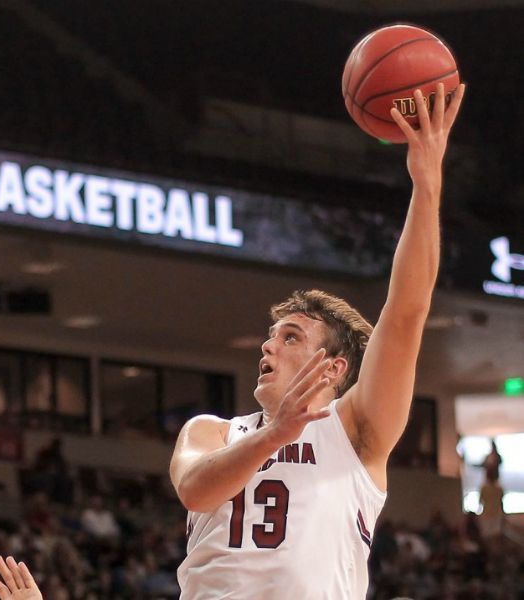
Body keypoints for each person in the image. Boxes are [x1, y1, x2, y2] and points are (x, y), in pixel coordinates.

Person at [169, 82, 466, 599]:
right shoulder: (211, 433)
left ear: (332, 368)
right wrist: (274, 435)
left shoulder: (356, 429)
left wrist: (426, 182)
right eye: (269, 337)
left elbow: (407, 311)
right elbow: (196, 492)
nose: (267, 347)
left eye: (290, 337)